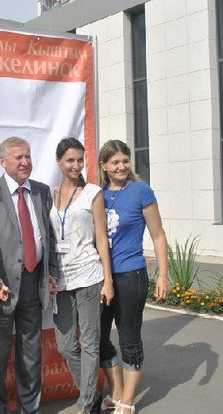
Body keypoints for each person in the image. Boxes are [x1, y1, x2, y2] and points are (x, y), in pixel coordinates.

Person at [0, 136, 59, 414]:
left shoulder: (41, 191)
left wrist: (51, 272)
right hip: (1, 288)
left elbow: (49, 236)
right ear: (3, 161)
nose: (25, 162)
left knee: (31, 355)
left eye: (28, 156)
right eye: (18, 157)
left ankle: (29, 409)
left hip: (33, 283)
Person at [97, 140, 168, 414]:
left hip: (131, 275)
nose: (121, 166)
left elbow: (158, 235)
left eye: (125, 161)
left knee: (129, 338)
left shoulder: (141, 191)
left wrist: (163, 275)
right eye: (115, 162)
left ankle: (127, 401)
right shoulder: (98, 194)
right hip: (101, 277)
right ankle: (115, 392)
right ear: (103, 165)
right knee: (99, 337)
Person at [50, 137, 114, 414]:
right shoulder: (50, 195)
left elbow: (101, 237)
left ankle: (86, 403)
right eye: (70, 160)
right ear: (59, 162)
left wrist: (108, 280)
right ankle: (93, 393)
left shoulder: (92, 192)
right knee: (65, 346)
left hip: (90, 276)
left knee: (89, 343)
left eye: (80, 160)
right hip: (61, 279)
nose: (76, 165)